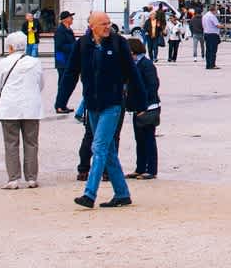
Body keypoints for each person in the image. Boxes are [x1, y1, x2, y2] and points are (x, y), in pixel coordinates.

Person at [72, 11, 135, 208]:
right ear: (92, 26)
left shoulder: (118, 43)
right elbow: (71, 72)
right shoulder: (83, 44)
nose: (108, 26)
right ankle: (122, 194)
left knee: (98, 147)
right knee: (108, 151)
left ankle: (90, 194)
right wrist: (61, 98)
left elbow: (132, 72)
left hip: (113, 104)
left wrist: (141, 100)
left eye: (109, 23)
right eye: (103, 23)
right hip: (93, 104)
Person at [0, 31, 44, 190]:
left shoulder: (4, 63)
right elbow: (41, 84)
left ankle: (13, 178)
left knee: (11, 143)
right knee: (32, 143)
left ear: (11, 47)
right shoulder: (35, 62)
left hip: (9, 107)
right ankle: (31, 178)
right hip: (31, 107)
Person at [124, 36, 161, 180]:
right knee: (139, 139)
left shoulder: (146, 64)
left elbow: (153, 86)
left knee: (148, 139)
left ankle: (151, 169)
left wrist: (144, 106)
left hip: (148, 107)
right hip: (137, 107)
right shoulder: (134, 64)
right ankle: (140, 167)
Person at [52, 10, 79, 113]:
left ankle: (63, 104)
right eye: (70, 17)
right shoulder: (60, 30)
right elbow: (60, 46)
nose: (72, 19)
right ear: (65, 19)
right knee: (63, 83)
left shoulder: (69, 30)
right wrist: (74, 46)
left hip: (69, 59)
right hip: (62, 60)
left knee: (68, 84)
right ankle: (59, 106)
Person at [201, 5, 223, 70]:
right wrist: (223, 26)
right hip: (213, 35)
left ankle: (208, 64)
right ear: (214, 10)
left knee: (208, 50)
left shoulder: (204, 16)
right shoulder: (212, 16)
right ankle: (212, 65)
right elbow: (217, 25)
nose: (216, 11)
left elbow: (203, 25)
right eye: (216, 10)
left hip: (206, 34)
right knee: (213, 50)